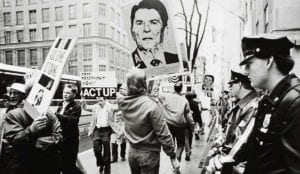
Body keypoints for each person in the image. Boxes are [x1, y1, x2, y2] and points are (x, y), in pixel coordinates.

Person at [234, 35, 300, 174]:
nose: (246, 71)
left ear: (269, 60)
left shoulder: (294, 102)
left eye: (249, 64)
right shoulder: (271, 100)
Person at [117, 68, 180, 174]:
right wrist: (172, 156)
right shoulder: (151, 105)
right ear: (144, 84)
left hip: (132, 152)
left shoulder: (123, 103)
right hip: (149, 154)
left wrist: (131, 77)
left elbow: (122, 93)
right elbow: (163, 134)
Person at [1, 82, 63, 174]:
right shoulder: (14, 114)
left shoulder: (49, 114)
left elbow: (59, 136)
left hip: (40, 165)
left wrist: (32, 135)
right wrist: (31, 131)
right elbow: (14, 141)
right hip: (28, 165)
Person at [206, 70, 259, 174]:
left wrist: (218, 162)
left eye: (231, 84)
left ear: (239, 84)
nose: (229, 88)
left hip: (237, 165)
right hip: (232, 163)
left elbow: (241, 141)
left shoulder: (252, 106)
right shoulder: (242, 105)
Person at [130, 0, 179, 68]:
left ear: (165, 31)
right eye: (139, 23)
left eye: (153, 22)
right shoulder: (128, 64)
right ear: (132, 32)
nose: (146, 29)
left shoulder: (178, 61)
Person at [157, 82, 194, 161]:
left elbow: (157, 96)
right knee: (180, 144)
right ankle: (177, 157)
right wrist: (192, 126)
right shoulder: (184, 100)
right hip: (180, 125)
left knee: (171, 145)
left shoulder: (166, 96)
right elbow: (188, 116)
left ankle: (174, 162)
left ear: (174, 88)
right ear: (181, 89)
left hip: (168, 124)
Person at [82, 96, 115, 174]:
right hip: (97, 130)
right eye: (98, 101)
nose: (99, 102)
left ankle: (107, 170)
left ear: (105, 100)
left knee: (106, 152)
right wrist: (83, 100)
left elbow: (120, 108)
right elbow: (85, 107)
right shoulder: (95, 107)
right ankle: (101, 163)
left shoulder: (110, 107)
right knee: (96, 150)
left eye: (101, 100)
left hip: (106, 130)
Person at [55, 84, 82, 174]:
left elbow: (72, 121)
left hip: (71, 140)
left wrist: (57, 115)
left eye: (67, 93)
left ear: (74, 95)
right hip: (60, 138)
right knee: (61, 164)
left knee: (69, 165)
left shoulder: (76, 107)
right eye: (64, 92)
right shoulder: (60, 104)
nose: (64, 94)